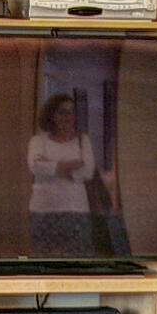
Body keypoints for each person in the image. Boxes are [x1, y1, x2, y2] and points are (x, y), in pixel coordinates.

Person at [26, 93, 115, 258]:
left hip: (76, 209)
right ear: (51, 114)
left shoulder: (83, 140)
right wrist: (71, 165)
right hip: (43, 210)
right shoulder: (38, 141)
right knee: (45, 259)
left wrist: (52, 165)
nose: (68, 117)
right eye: (63, 112)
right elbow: (36, 168)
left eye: (72, 112)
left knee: (78, 259)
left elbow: (87, 172)